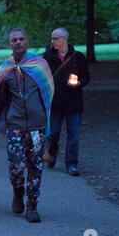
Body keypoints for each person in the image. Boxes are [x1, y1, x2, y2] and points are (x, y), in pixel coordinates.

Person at [0, 28, 54, 223]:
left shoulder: (40, 65)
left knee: (35, 166)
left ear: (27, 41)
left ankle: (32, 205)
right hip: (15, 125)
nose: (18, 42)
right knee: (16, 166)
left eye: (21, 39)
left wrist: (49, 120)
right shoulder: (5, 69)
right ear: (10, 44)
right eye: (14, 40)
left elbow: (49, 93)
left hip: (37, 126)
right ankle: (18, 193)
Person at [43, 27, 90, 176]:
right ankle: (53, 151)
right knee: (53, 133)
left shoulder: (78, 57)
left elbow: (86, 77)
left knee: (73, 135)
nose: (52, 41)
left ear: (64, 39)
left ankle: (71, 164)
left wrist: (78, 83)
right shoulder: (48, 57)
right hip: (55, 103)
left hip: (73, 103)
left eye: (55, 38)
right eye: (52, 38)